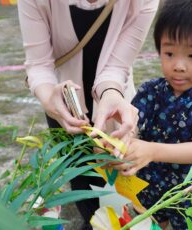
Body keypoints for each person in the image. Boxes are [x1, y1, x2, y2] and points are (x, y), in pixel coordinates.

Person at [17, 0, 159, 229]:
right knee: (82, 183)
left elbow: (116, 67)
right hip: (62, 108)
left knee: (116, 190)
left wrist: (111, 94)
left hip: (115, 110)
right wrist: (48, 98)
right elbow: (38, 64)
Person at [113, 0, 192, 229]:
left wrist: (150, 150)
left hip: (188, 193)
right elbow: (131, 126)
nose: (178, 65)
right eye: (169, 53)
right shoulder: (150, 91)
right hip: (148, 184)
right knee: (149, 223)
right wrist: (121, 143)